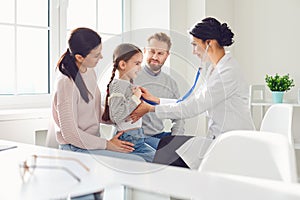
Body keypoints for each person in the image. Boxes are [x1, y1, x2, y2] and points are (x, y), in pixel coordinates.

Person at [130, 17, 255, 169]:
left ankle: (176, 189)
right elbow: (192, 100)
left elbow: (194, 107)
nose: (193, 51)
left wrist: (151, 109)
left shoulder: (227, 73)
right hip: (218, 139)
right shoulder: (214, 69)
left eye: (195, 45)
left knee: (169, 149)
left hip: (233, 142)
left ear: (209, 43)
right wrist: (157, 101)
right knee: (168, 146)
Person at [52, 27, 145, 162]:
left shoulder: (89, 72)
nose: (101, 57)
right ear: (79, 57)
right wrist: (107, 144)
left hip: (91, 144)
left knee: (147, 158)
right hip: (75, 148)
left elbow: (93, 110)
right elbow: (70, 134)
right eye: (96, 55)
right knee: (138, 161)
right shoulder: (66, 84)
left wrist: (119, 114)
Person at [102, 43, 156, 162]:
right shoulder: (117, 85)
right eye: (137, 63)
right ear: (122, 64)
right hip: (129, 139)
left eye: (140, 64)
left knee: (158, 160)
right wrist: (135, 99)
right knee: (159, 161)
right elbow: (116, 116)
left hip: (136, 137)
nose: (140, 68)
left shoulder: (126, 85)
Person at [134, 32, 185, 149]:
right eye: (152, 51)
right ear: (144, 51)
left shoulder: (171, 83)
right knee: (167, 153)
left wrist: (175, 139)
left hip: (158, 135)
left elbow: (180, 114)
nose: (155, 57)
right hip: (137, 137)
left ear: (167, 55)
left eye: (160, 53)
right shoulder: (132, 76)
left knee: (188, 148)